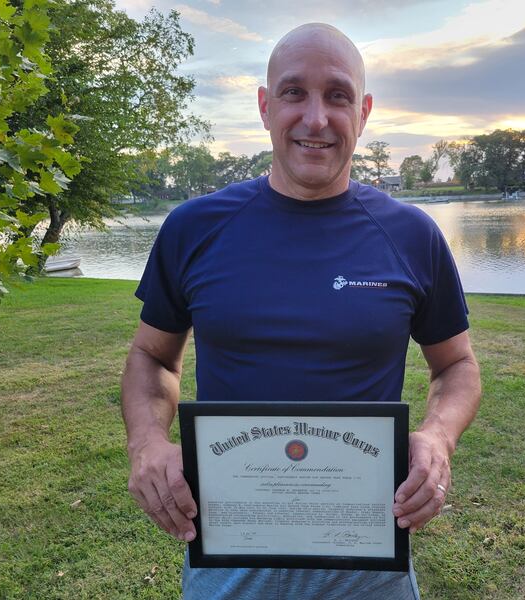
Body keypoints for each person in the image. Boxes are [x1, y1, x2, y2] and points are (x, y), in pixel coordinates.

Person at [121, 22, 481, 600]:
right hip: (227, 553)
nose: (316, 119)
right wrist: (146, 442)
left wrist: (438, 437)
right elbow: (150, 356)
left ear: (362, 112)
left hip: (367, 557)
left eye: (337, 95)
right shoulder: (194, 227)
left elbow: (456, 366)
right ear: (265, 107)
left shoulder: (411, 236)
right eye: (294, 93)